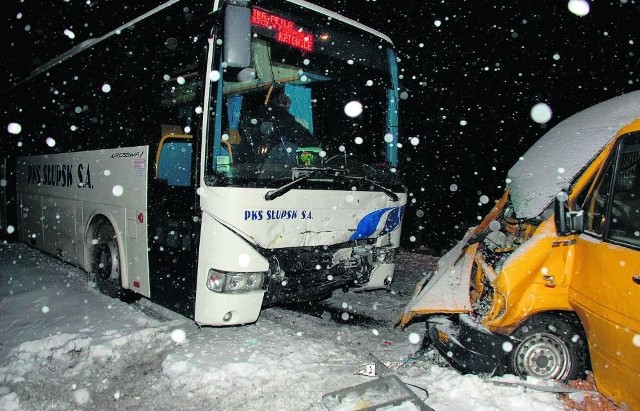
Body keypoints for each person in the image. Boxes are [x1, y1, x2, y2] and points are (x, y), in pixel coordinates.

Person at [260, 88, 318, 165]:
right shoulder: (283, 116)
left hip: (269, 154)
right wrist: (312, 141)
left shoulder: (265, 113)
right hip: (281, 152)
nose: (288, 109)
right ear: (283, 104)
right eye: (288, 106)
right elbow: (296, 132)